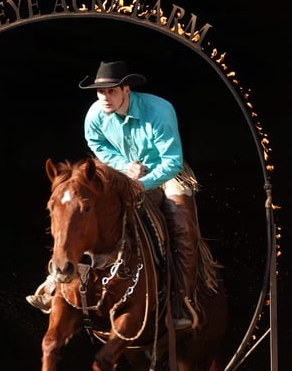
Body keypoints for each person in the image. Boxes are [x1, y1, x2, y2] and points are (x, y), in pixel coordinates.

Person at [26, 60, 202, 329]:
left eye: (111, 91)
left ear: (126, 90)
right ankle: (56, 281)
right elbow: (96, 144)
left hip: (164, 172)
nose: (105, 98)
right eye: (100, 92)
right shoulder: (95, 114)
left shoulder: (160, 111)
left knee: (183, 226)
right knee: (85, 208)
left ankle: (182, 301)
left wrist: (145, 182)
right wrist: (123, 166)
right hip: (124, 172)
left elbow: (172, 160)